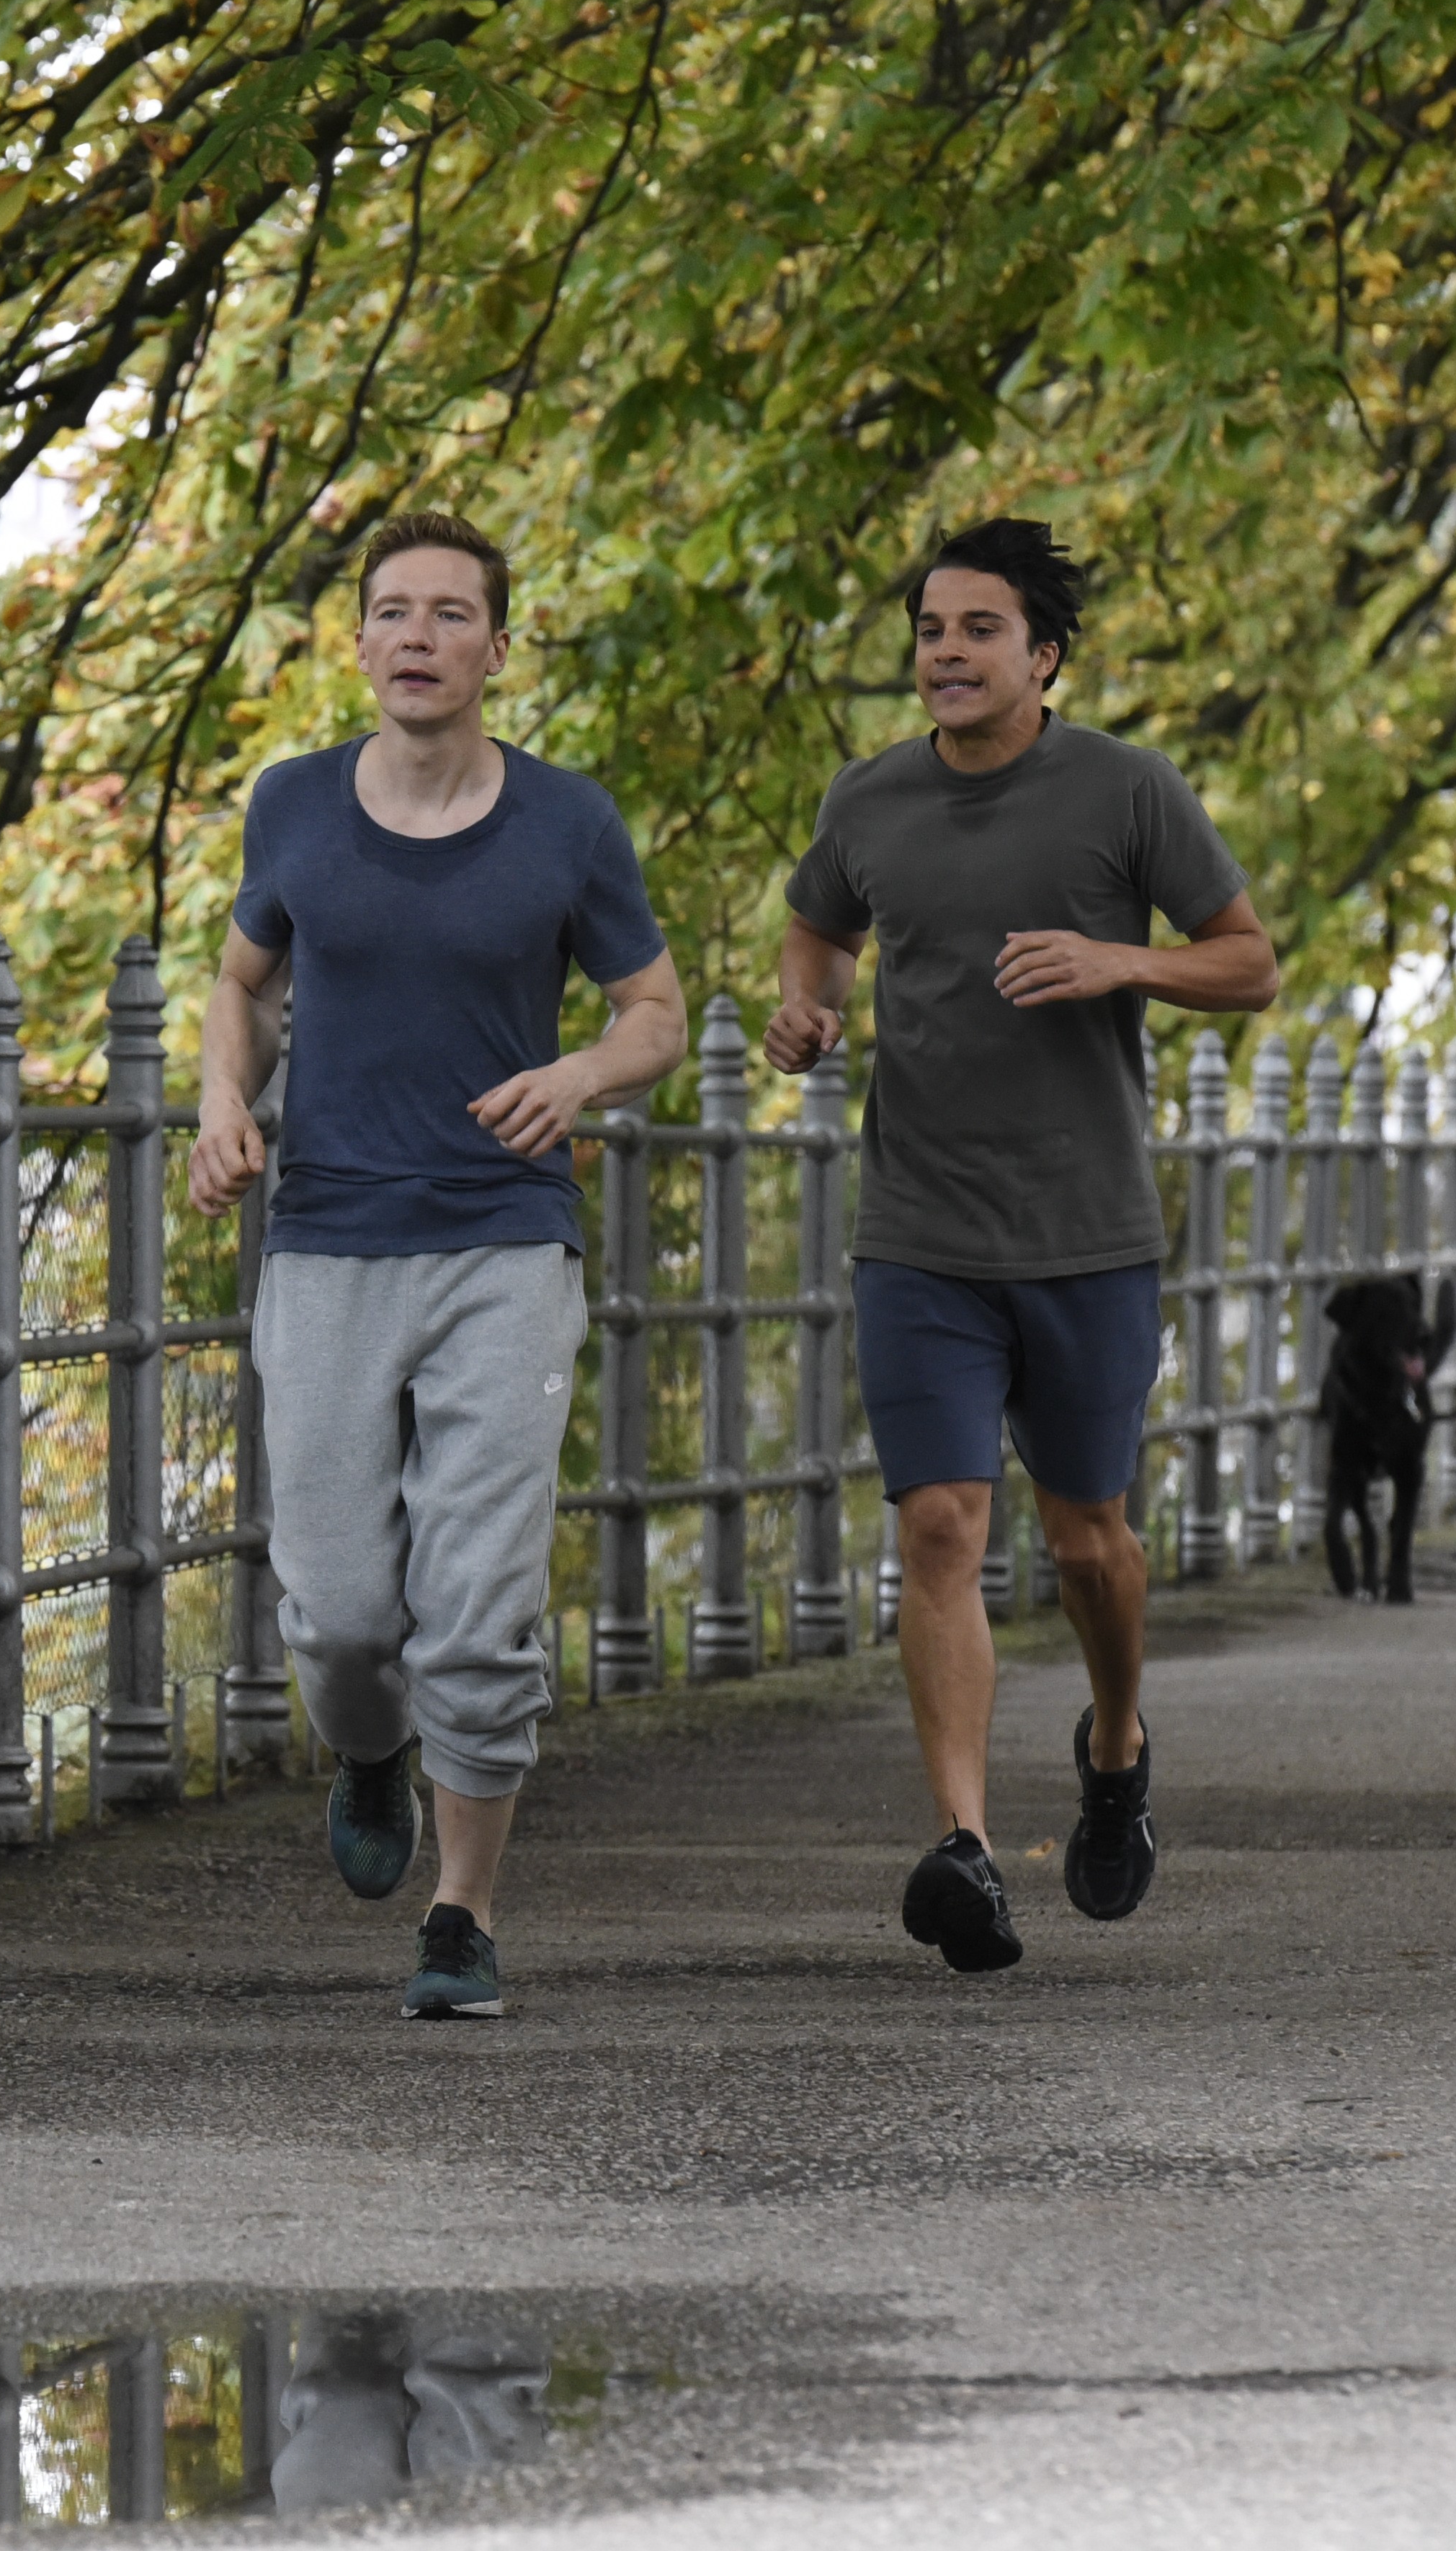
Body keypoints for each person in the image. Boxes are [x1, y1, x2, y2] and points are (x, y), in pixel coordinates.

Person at [762, 517, 1277, 1973]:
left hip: (1085, 1232)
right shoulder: (868, 797)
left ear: (1041, 655)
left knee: (1085, 1540)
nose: (945, 651)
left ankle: (1113, 1747)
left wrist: (1119, 959)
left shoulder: (1125, 788)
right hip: (917, 1228)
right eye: (929, 628)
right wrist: (806, 1009)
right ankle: (964, 1848)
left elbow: (1248, 961)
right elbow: (817, 932)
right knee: (938, 1521)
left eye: (977, 628)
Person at [189, 510, 683, 2022]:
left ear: (495, 648)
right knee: (341, 1613)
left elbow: (655, 1013)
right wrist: (221, 1101)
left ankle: (462, 1913)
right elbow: (240, 982)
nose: (417, 635)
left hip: (503, 1241)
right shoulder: (292, 806)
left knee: (476, 1603)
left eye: (450, 613)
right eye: (392, 610)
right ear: (357, 644)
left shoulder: (566, 822)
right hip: (330, 1238)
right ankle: (368, 1743)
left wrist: (577, 1076)